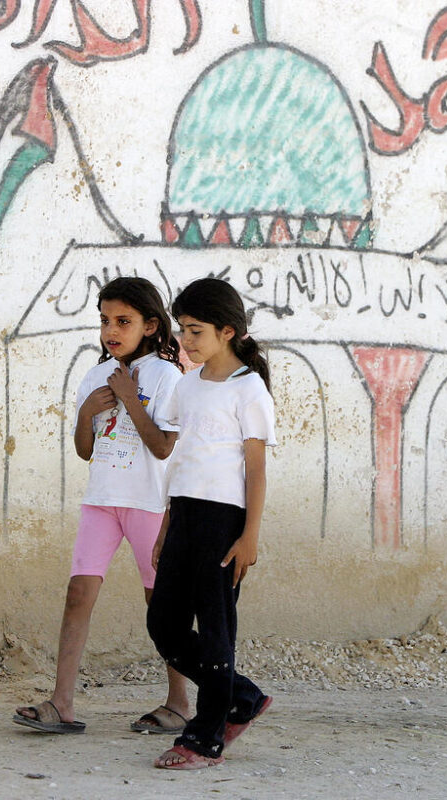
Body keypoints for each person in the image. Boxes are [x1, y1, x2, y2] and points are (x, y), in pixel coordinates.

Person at [13, 277, 191, 735]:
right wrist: (86, 412)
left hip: (148, 504)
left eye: (124, 321)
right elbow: (84, 450)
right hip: (101, 502)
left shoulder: (165, 377)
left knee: (161, 605)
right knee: (78, 596)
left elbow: (164, 447)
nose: (111, 330)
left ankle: (179, 702)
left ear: (151, 326)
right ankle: (62, 703)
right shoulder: (95, 376)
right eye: (105, 321)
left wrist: (130, 400)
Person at [147, 277, 275, 769]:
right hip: (184, 515)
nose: (186, 341)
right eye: (182, 330)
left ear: (228, 331)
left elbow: (256, 469)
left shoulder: (250, 389)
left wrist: (250, 536)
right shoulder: (186, 385)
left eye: (196, 331)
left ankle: (203, 738)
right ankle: (241, 696)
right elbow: (182, 458)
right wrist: (166, 525)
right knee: (164, 624)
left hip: (225, 523)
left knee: (217, 627)